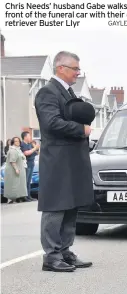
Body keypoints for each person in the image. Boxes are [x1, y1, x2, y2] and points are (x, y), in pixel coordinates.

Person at [34, 51, 95, 272]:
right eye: (75, 69)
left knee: (71, 205)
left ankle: (65, 251)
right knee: (56, 207)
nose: (78, 73)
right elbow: (51, 123)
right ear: (61, 68)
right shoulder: (47, 92)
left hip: (72, 159)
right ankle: (51, 256)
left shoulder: (67, 91)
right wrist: (81, 129)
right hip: (57, 160)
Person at [3, 137, 28, 203]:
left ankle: (19, 197)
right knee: (14, 184)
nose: (18, 142)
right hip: (13, 169)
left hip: (20, 167)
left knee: (19, 183)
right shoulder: (13, 150)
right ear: (13, 142)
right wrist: (16, 169)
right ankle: (13, 198)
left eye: (18, 141)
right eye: (16, 141)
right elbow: (12, 161)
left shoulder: (18, 149)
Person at [20, 131, 39, 201]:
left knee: (29, 181)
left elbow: (37, 153)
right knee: (26, 181)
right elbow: (26, 153)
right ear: (25, 137)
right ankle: (24, 196)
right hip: (26, 165)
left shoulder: (29, 144)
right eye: (29, 136)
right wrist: (34, 148)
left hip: (31, 164)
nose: (30, 137)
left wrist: (34, 146)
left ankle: (29, 196)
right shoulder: (22, 144)